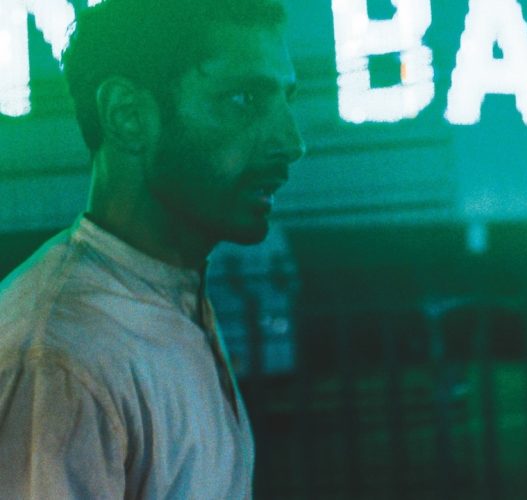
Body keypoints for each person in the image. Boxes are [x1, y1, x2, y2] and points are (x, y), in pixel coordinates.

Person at [0, 0, 305, 497]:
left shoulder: (164, 298)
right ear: (126, 115)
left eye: (286, 101)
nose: (291, 143)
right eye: (243, 99)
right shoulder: (59, 357)